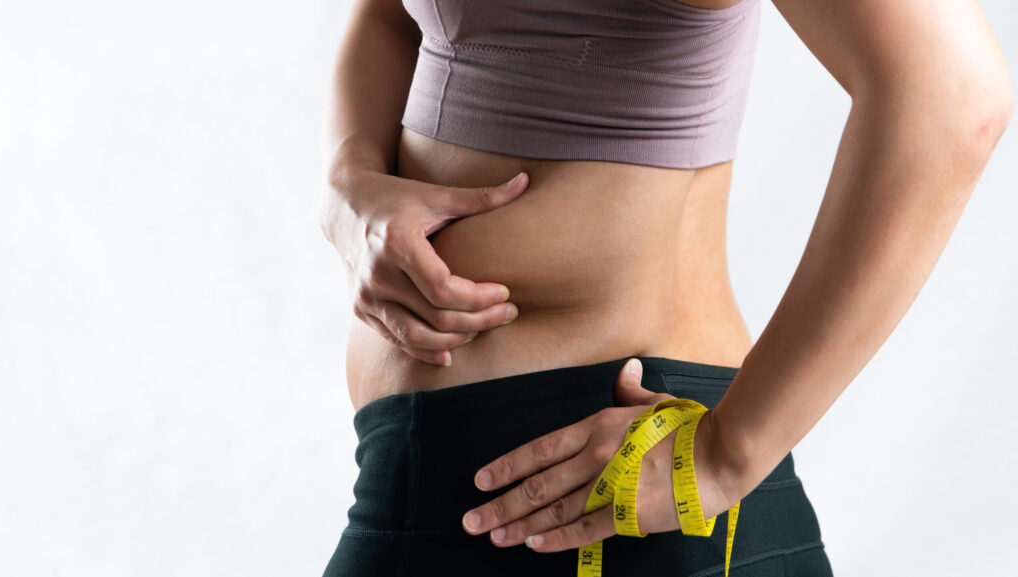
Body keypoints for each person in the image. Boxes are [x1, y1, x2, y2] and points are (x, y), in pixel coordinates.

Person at [319, 0, 1012, 575]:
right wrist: (349, 178)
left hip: (600, 489)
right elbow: (390, 15)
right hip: (465, 484)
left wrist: (721, 457)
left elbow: (953, 97)